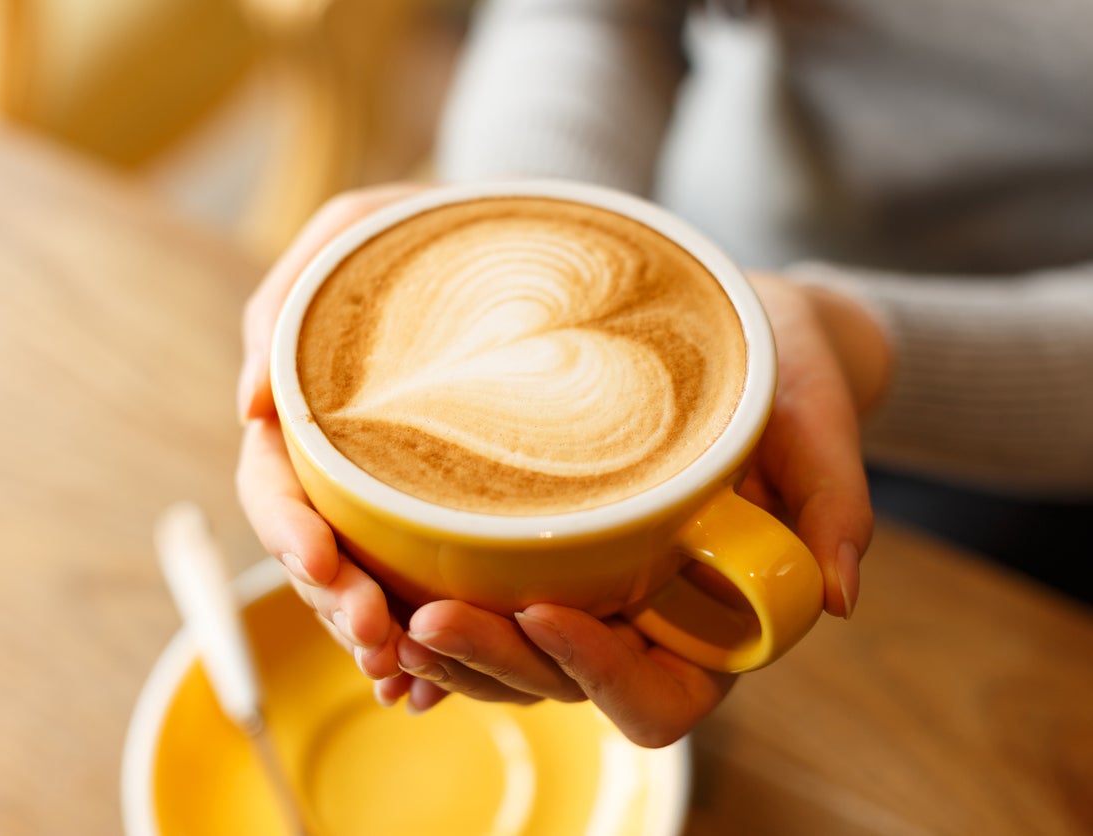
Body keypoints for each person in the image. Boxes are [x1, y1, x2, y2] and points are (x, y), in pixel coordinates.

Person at [236, 0, 1093, 747]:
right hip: (676, 253)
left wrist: (858, 341)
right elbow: (585, 10)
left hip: (1038, 452)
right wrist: (525, 222)